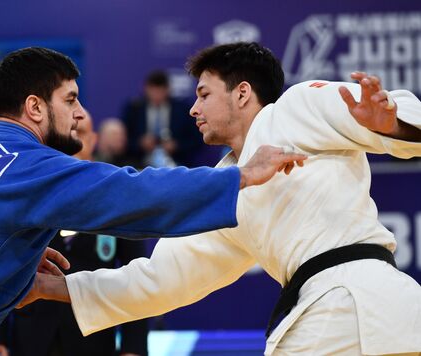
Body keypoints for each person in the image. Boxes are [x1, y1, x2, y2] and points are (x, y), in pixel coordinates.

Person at [0, 47, 306, 356]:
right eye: (71, 100)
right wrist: (238, 177)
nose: (79, 114)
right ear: (35, 108)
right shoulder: (34, 167)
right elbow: (136, 194)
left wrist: (4, 246)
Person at [22, 43, 421, 355]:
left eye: (204, 93)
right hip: (388, 314)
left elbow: (387, 108)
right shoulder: (228, 189)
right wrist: (50, 288)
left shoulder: (296, 108)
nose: (193, 108)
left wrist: (392, 124)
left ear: (242, 93)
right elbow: (160, 280)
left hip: (342, 307)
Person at [0, 112, 149, 356]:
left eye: (80, 133)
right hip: (31, 338)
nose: (73, 142)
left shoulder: (115, 199)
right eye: (66, 134)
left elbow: (136, 275)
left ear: (94, 140)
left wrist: (133, 347)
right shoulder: (27, 195)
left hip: (94, 340)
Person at [122, 70, 203, 168]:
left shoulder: (183, 109)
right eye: (153, 91)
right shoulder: (134, 109)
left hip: (177, 162)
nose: (156, 95)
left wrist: (176, 146)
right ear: (146, 89)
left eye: (160, 91)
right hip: (139, 162)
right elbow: (124, 140)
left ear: (167, 90)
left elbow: (196, 139)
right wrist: (140, 143)